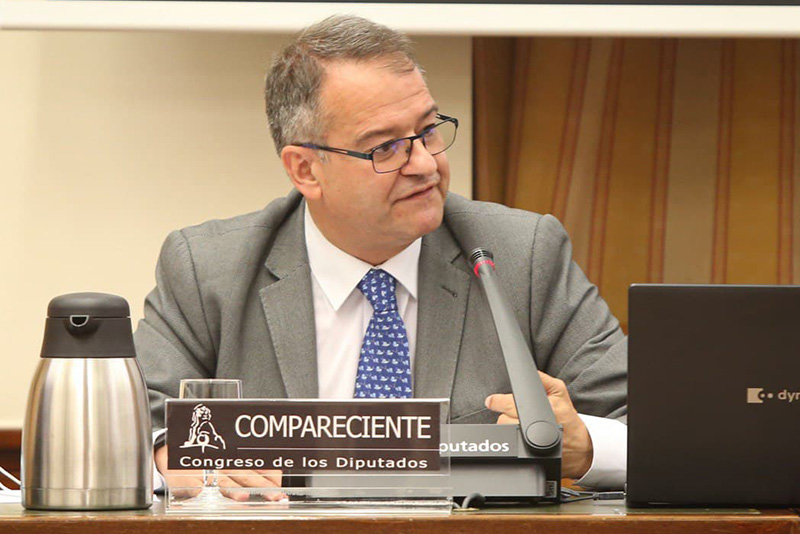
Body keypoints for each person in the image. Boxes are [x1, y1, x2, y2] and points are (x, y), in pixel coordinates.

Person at [134, 15, 627, 497]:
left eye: (428, 131)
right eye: (386, 148)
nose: (424, 164)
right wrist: (168, 457)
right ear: (305, 169)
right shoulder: (208, 269)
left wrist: (585, 446)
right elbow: (133, 425)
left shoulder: (523, 254)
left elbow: (646, 424)